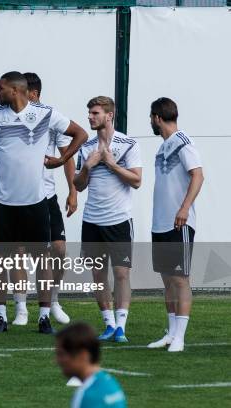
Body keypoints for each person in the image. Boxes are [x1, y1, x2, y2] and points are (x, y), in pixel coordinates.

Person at [0, 71, 87, 334]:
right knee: (1, 261)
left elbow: (80, 134)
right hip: (2, 202)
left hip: (36, 202)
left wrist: (61, 160)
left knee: (43, 259)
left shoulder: (45, 114)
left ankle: (44, 316)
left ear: (15, 90)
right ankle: (1, 317)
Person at [74, 96, 142, 343]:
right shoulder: (86, 148)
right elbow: (78, 186)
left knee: (122, 274)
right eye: (89, 113)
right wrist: (87, 167)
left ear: (109, 115)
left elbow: (137, 181)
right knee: (98, 275)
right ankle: (109, 325)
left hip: (119, 220)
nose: (90, 117)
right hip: (92, 221)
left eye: (95, 113)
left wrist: (111, 164)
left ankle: (122, 326)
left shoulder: (128, 144)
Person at [147, 97, 203, 353]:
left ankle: (180, 336)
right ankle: (170, 333)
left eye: (151, 117)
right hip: (160, 224)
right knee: (167, 280)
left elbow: (198, 176)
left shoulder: (183, 143)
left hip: (179, 224)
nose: (150, 121)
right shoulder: (162, 147)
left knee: (180, 279)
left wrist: (183, 208)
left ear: (158, 117)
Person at [23, 72, 77, 325]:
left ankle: (53, 301)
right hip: (20, 196)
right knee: (21, 251)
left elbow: (66, 156)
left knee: (58, 249)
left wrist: (73, 191)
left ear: (34, 94)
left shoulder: (51, 116)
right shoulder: (10, 116)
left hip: (47, 195)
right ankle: (21, 307)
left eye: (25, 92)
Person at [56, 322, 127, 408]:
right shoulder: (110, 382)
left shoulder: (87, 396)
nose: (57, 360)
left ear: (83, 355)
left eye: (61, 354)